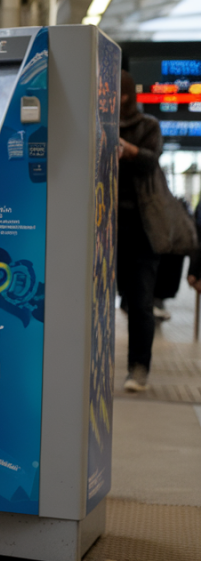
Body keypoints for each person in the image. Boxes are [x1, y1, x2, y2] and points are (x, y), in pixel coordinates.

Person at [117, 69, 164, 393]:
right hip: (105, 225)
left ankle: (138, 367)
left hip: (141, 229)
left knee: (140, 302)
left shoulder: (148, 126)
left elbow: (151, 160)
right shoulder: (98, 123)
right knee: (105, 299)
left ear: (125, 96)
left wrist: (127, 149)